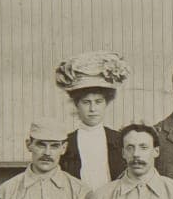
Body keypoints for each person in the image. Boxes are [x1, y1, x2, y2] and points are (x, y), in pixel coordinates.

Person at [54, 51, 130, 191]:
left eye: (98, 102)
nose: (92, 108)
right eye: (86, 102)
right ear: (76, 105)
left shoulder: (118, 139)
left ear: (106, 103)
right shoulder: (67, 143)